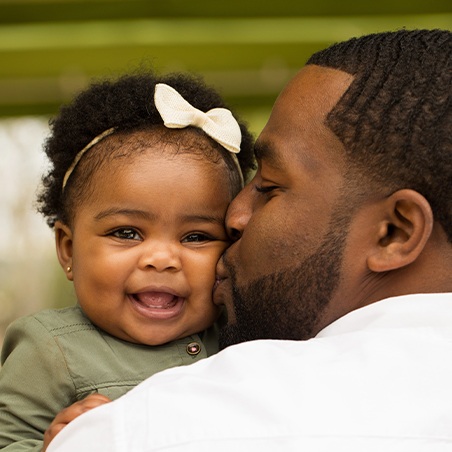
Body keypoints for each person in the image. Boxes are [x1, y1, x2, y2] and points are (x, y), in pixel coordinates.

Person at [47, 28, 452, 451]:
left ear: (394, 232)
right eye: (126, 232)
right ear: (68, 247)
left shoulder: (144, 430)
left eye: (271, 186)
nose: (235, 216)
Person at [0, 70, 255, 452]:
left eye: (196, 237)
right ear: (68, 250)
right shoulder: (49, 348)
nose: (162, 258)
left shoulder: (245, 334)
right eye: (127, 233)